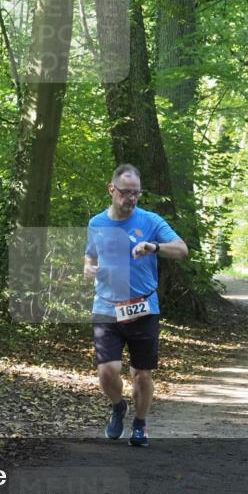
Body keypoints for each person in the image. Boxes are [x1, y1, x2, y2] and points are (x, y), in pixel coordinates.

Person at [83, 164, 188, 447]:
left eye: (135, 193)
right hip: (106, 305)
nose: (130, 198)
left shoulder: (151, 221)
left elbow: (182, 249)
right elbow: (89, 258)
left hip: (143, 306)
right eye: (125, 192)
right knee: (107, 370)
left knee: (142, 373)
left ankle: (140, 424)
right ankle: (118, 406)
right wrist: (89, 269)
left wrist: (154, 247)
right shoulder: (96, 224)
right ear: (112, 189)